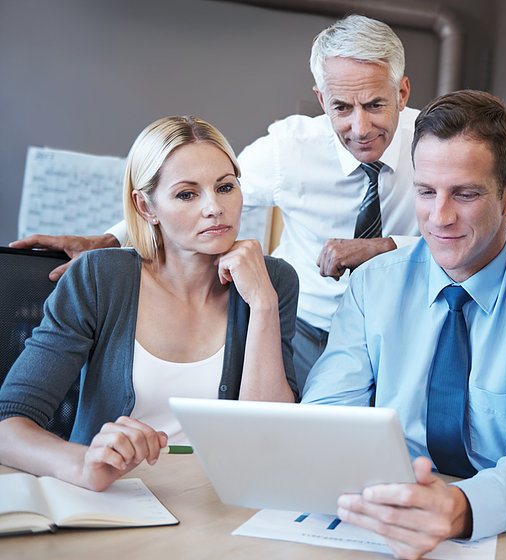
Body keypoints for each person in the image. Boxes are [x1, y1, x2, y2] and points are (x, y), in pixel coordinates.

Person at [11, 14, 420, 390]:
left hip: (400, 321)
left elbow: (478, 237)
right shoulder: (289, 151)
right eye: (342, 107)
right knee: (310, 431)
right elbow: (197, 187)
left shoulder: (435, 146)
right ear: (321, 99)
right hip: (310, 324)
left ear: (401, 92)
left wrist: (388, 247)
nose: (360, 127)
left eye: (375, 105)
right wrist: (114, 238)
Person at [302, 90, 506, 560]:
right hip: (386, 517)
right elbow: (325, 420)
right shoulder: (373, 286)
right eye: (425, 192)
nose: (439, 218)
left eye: (465, 193)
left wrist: (457, 509)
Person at [0, 116, 299, 492]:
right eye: (187, 194)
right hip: (115, 497)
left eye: (225, 187)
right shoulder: (101, 278)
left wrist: (263, 304)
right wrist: (82, 464)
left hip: (221, 498)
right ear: (146, 207)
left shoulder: (274, 281)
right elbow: (8, 423)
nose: (214, 208)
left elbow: (270, 437)